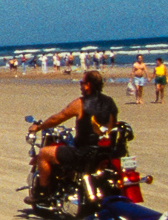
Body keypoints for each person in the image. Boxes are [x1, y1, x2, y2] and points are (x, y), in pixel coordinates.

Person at [27, 70, 119, 203]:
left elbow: (58, 118)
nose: (80, 86)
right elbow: (113, 123)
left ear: (88, 85)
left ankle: (42, 193)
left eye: (82, 83)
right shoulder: (110, 102)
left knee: (44, 153)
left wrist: (39, 127)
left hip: (84, 152)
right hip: (105, 151)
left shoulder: (81, 103)